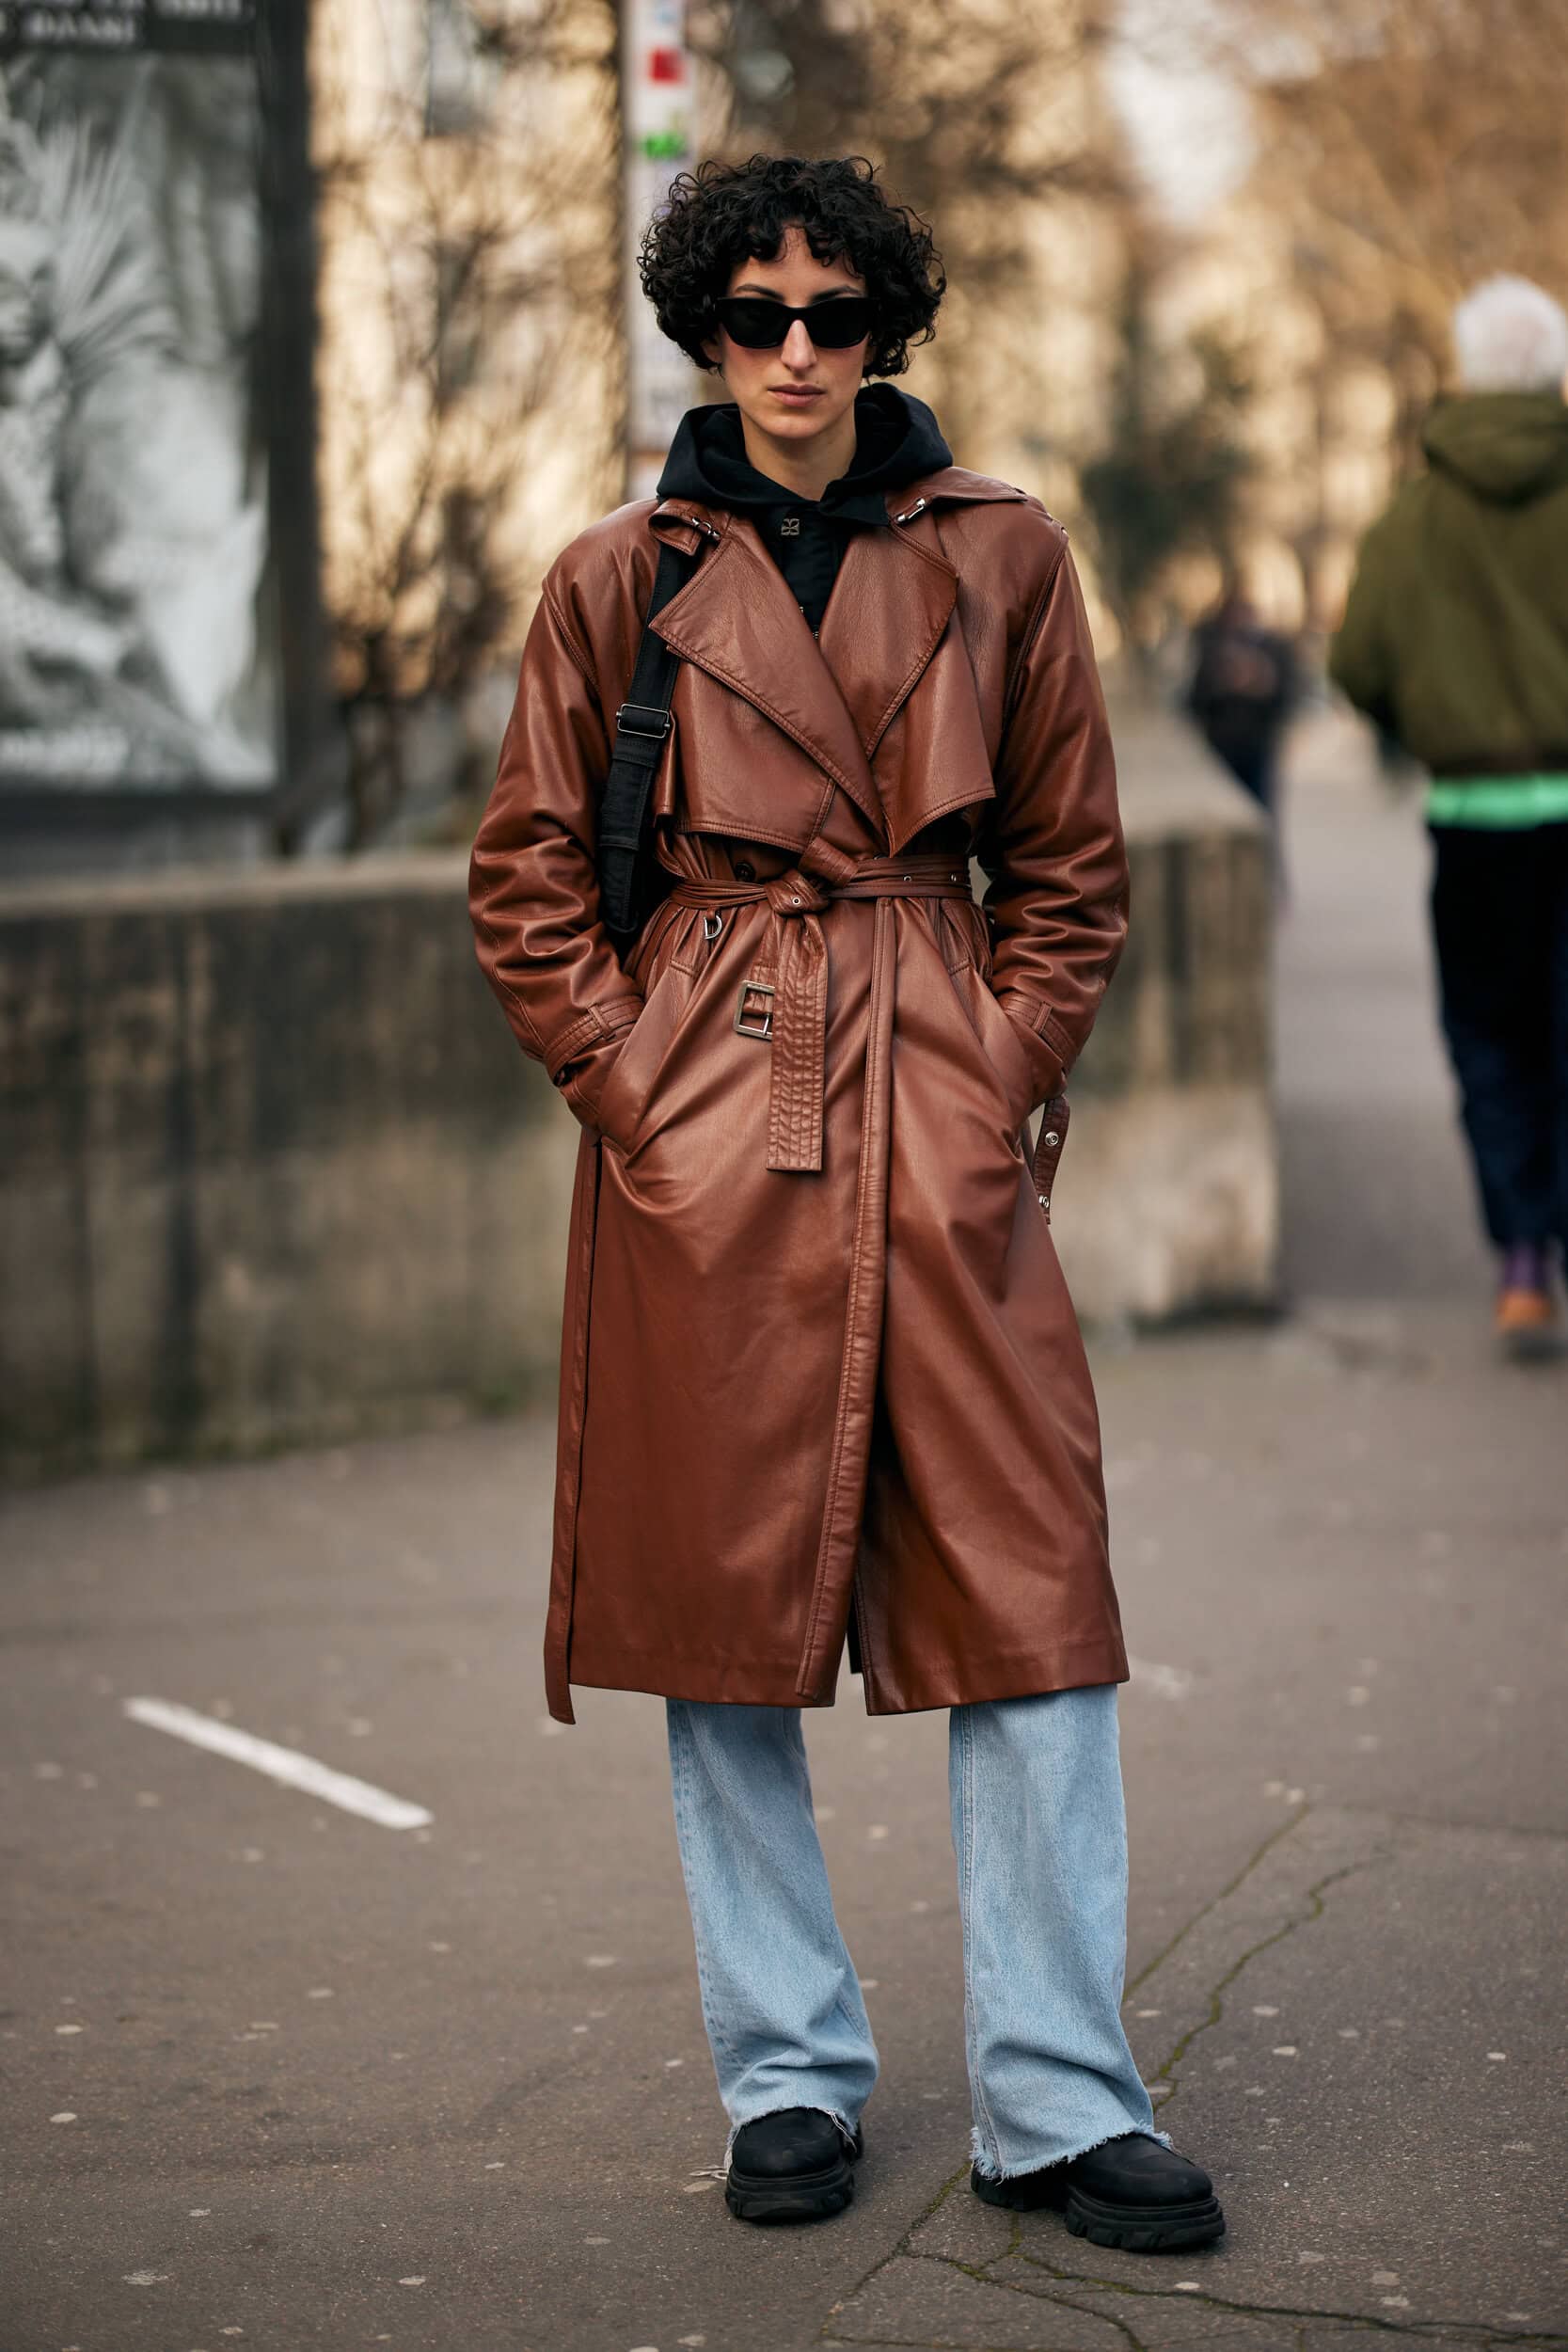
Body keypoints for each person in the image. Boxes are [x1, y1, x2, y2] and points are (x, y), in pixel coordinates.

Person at [469, 154, 1223, 2249]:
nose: (792, 352)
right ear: (700, 329)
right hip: (711, 1101)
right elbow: (526, 874)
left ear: (890, 325)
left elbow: (1067, 861)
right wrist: (637, 1094)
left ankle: (1057, 2098)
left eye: (831, 312)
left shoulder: (1003, 553)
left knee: (1029, 1595)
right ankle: (783, 2069)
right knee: (719, 1611)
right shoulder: (613, 572)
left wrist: (994, 1065)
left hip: (936, 1090)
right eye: (749, 312)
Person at [1331, 275, 1568, 1355]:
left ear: (1469, 373)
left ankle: (1521, 1261)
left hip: (1471, 817)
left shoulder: (1412, 516)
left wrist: (1429, 719)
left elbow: (1356, 660)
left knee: (1488, 1039)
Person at [1185, 590, 1298, 857]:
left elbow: (1288, 696)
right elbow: (1195, 700)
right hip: (1222, 749)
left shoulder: (1273, 648)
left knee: (1263, 820)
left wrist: (1262, 683)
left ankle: (1268, 883)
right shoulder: (1213, 648)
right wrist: (1224, 683)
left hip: (1258, 747)